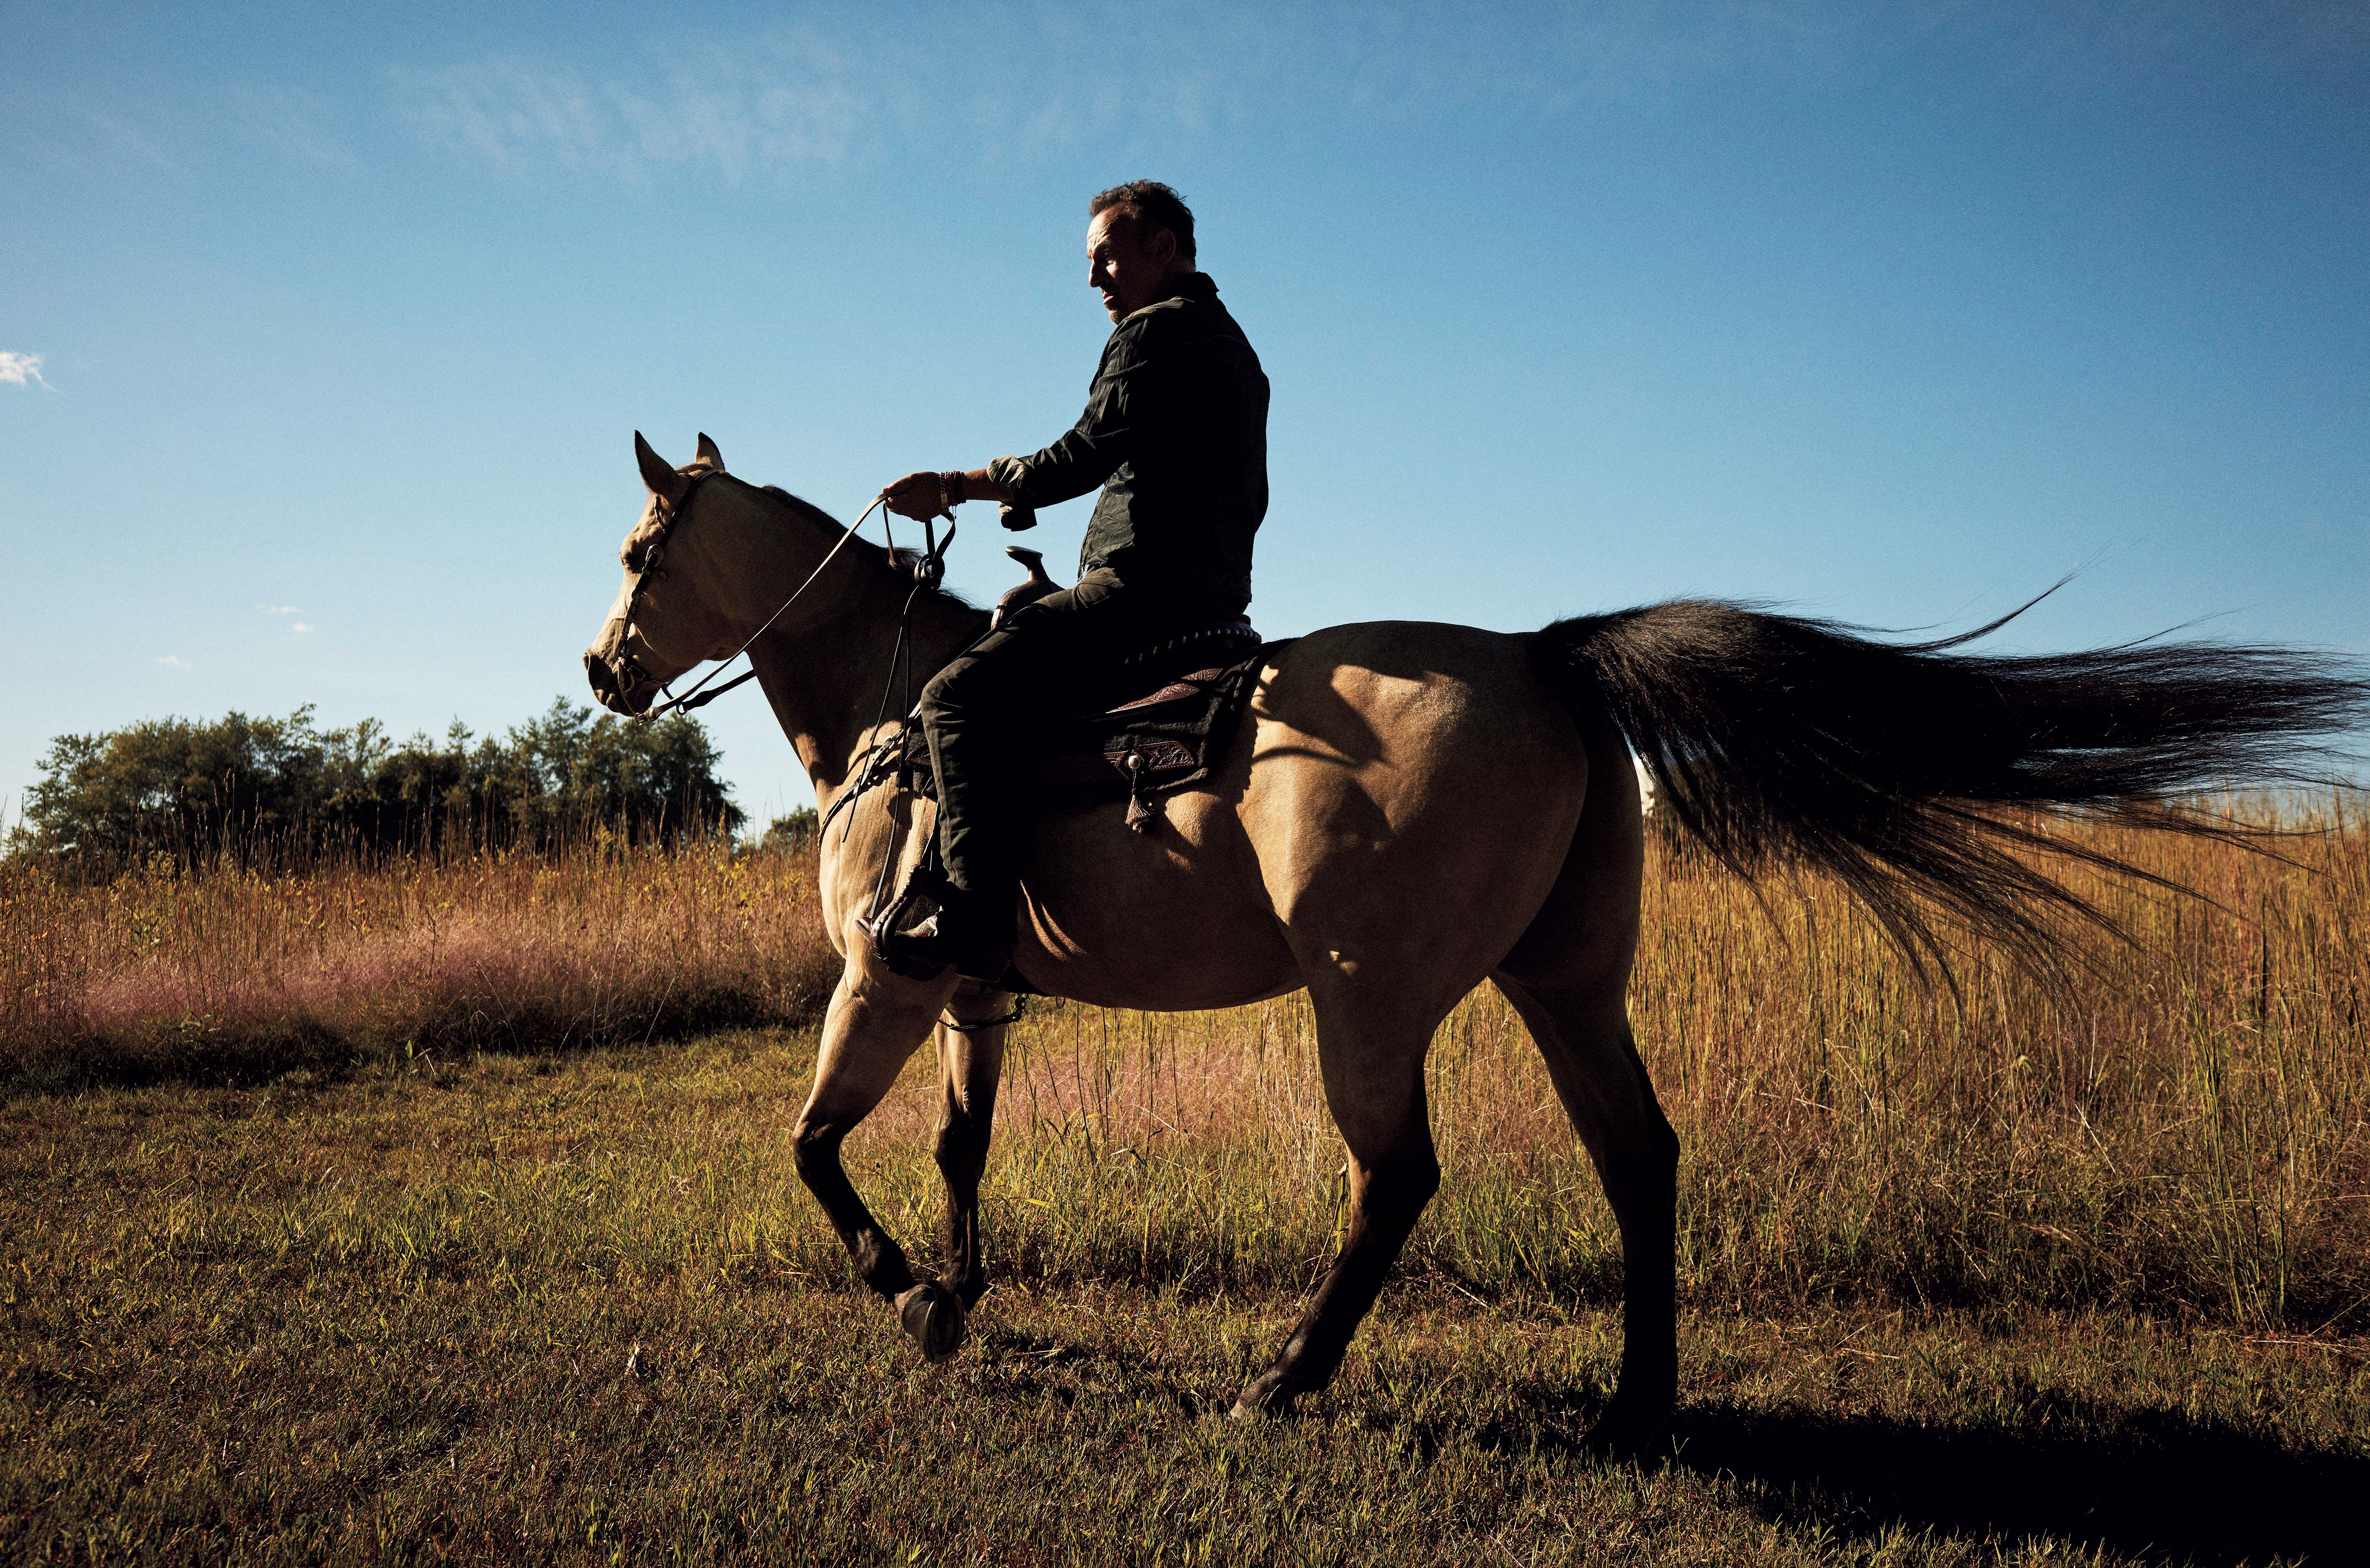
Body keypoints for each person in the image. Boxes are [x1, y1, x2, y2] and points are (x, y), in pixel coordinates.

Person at [871, 180, 1270, 982]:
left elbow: (1078, 455)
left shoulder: (1154, 331)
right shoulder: (1234, 346)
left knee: (950, 697)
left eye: (1108, 257)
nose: (1095, 281)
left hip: (1140, 596)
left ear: (1164, 247)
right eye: (1091, 265)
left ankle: (974, 921)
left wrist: (956, 486)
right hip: (1214, 601)